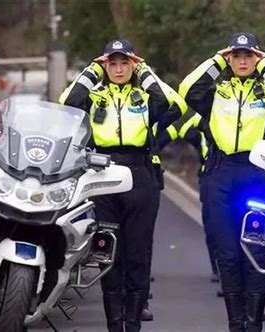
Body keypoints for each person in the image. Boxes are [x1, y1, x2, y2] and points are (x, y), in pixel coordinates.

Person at [59, 39, 184, 332]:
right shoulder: (95, 95)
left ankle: (133, 324)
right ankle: (115, 325)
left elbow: (168, 104)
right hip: (104, 177)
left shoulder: (144, 94)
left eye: (124, 63)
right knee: (108, 254)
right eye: (112, 63)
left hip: (140, 176)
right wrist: (92, 70)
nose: (117, 69)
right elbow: (68, 104)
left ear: (132, 65)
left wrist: (144, 70)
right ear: (105, 65)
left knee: (137, 256)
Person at [179, 32, 265, 331]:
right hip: (221, 174)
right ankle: (236, 323)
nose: (243, 61)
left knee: (255, 249)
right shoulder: (215, 92)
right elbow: (187, 89)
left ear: (255, 57)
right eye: (237, 56)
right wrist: (216, 59)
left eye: (249, 55)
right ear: (230, 59)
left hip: (256, 174)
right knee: (228, 252)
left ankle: (255, 322)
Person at [156, 110, 220, 283]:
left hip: (243, 173)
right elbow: (182, 129)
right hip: (211, 175)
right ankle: (219, 269)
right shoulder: (205, 117)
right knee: (214, 226)